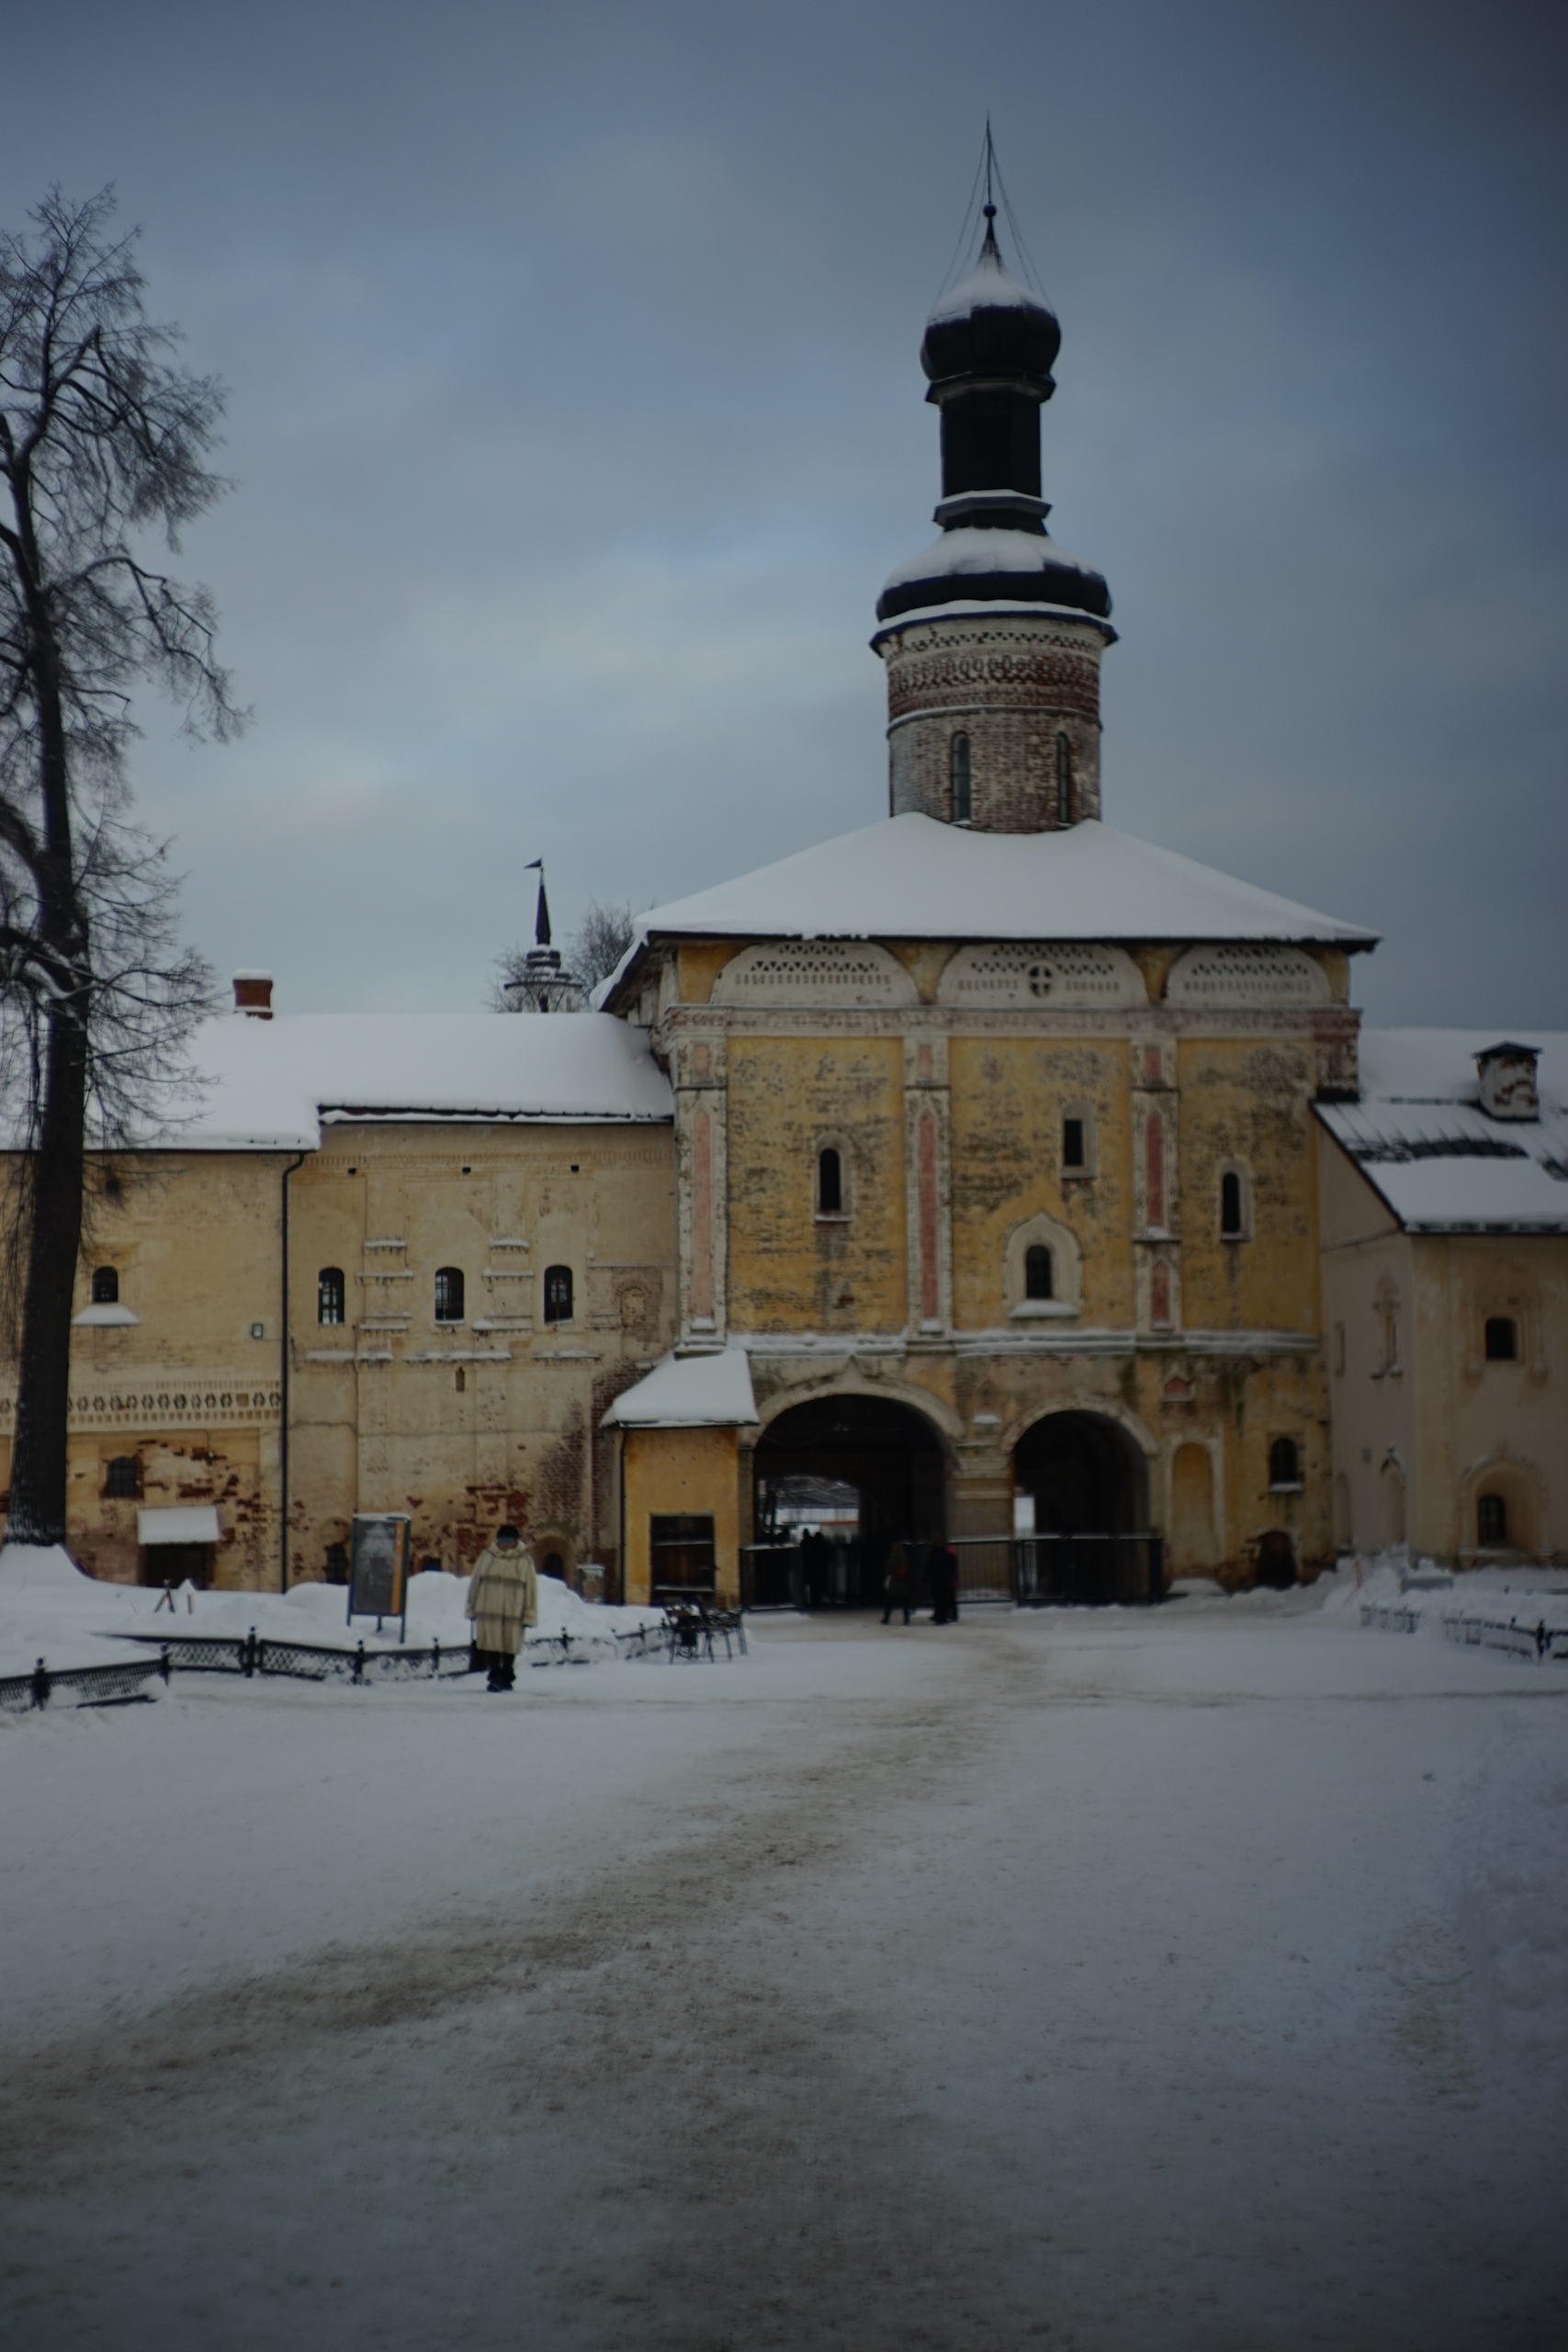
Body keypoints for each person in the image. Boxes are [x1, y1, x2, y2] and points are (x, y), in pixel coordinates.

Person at [466, 1523, 538, 1691]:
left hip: (514, 1612)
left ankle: (506, 1675)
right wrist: (471, 1606)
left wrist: (529, 1613)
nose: (505, 1543)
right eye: (502, 1539)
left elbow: (531, 1590)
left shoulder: (524, 1560)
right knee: (490, 1646)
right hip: (488, 1610)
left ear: (515, 1541)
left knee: (509, 1647)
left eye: (508, 1539)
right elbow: (475, 1582)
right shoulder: (487, 1557)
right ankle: (495, 1676)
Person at [881, 1540, 915, 1626]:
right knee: (905, 1602)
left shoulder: (893, 1556)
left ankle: (886, 1619)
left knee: (890, 1602)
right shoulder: (905, 1557)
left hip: (894, 1582)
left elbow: (889, 1568)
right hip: (903, 1582)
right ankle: (906, 1620)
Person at [928, 1539, 960, 1625]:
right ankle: (947, 1616)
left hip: (939, 1580)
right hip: (948, 1580)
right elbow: (953, 1568)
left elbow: (930, 1567)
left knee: (940, 1599)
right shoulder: (950, 1555)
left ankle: (941, 1616)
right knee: (947, 1599)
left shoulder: (935, 1554)